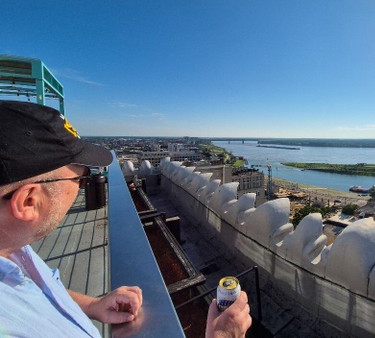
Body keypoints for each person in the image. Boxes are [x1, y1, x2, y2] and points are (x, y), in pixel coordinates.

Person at [0, 100, 251, 337]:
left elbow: (40, 291)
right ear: (28, 201)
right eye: (82, 178)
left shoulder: (11, 248)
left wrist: (92, 305)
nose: (83, 187)